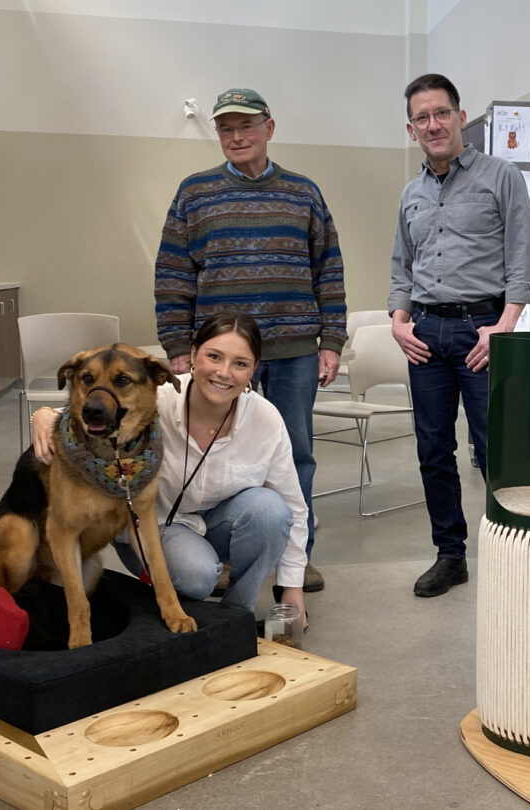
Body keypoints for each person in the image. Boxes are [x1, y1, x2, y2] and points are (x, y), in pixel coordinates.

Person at [154, 87, 345, 594]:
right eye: (226, 129)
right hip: (221, 356)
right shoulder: (194, 192)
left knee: (295, 454)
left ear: (269, 128)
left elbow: (329, 267)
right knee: (210, 449)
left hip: (293, 348)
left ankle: (294, 562)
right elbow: (173, 271)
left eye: (247, 126)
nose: (236, 137)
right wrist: (178, 344)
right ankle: (213, 546)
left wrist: (332, 339)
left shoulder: (304, 192)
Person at [31, 314, 308, 624]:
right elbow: (91, 412)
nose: (224, 372)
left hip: (218, 521)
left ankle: (236, 613)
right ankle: (189, 579)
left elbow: (294, 507)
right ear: (193, 356)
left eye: (240, 363)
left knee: (272, 511)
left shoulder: (266, 419)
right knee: (197, 576)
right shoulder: (155, 397)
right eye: (213, 356)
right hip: (155, 527)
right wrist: (42, 415)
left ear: (253, 370)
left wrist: (292, 589)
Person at [388, 73, 530, 597]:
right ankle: (451, 556)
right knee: (433, 450)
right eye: (422, 117)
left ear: (459, 116)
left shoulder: (501, 177)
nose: (433, 124)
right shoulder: (411, 193)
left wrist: (505, 323)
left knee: (494, 448)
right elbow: (401, 267)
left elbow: (522, 256)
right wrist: (397, 320)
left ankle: (514, 554)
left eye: (442, 113)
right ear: (412, 128)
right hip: (425, 333)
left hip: (483, 332)